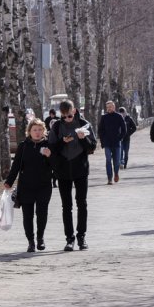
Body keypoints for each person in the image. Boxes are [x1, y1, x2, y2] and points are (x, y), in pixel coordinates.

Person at [49, 100, 97, 251]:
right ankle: (69, 238)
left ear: (74, 111)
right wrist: (62, 142)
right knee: (66, 206)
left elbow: (92, 148)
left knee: (81, 203)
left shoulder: (84, 124)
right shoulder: (57, 126)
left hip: (80, 169)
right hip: (62, 171)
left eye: (69, 116)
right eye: (64, 116)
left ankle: (81, 236)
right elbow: (52, 149)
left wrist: (83, 139)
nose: (67, 119)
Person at [4, 119, 53, 252]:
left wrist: (50, 156)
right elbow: (16, 166)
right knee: (28, 215)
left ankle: (40, 238)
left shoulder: (49, 145)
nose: (37, 133)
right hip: (26, 186)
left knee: (42, 213)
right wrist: (9, 181)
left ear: (44, 131)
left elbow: (56, 166)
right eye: (34, 130)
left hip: (44, 185)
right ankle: (31, 241)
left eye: (40, 130)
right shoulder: (23, 146)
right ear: (29, 132)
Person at [98, 101, 127, 184]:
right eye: (107, 107)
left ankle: (116, 173)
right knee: (108, 160)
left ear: (114, 107)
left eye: (110, 107)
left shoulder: (119, 116)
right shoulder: (104, 117)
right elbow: (100, 130)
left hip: (116, 142)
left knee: (117, 161)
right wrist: (102, 140)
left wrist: (119, 138)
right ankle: (109, 178)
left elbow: (124, 129)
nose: (109, 108)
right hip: (107, 143)